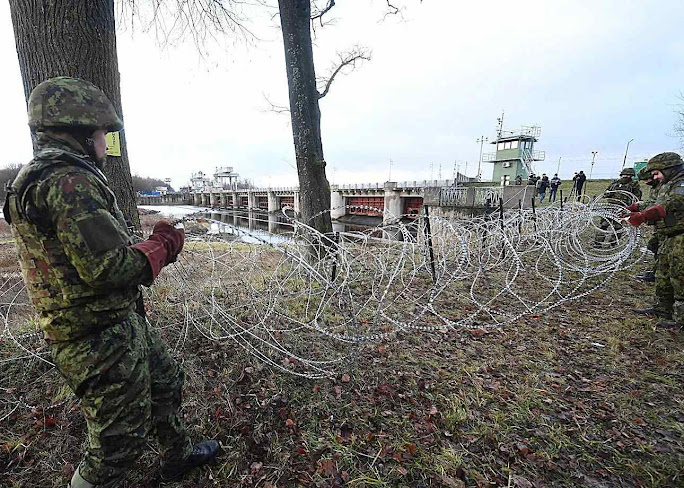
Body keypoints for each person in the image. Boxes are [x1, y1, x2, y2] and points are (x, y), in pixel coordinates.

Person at [3, 77, 219, 487]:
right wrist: (161, 246)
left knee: (165, 379)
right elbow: (108, 269)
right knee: (116, 445)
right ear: (83, 132)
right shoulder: (70, 182)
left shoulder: (42, 176)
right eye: (103, 133)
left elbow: (85, 256)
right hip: (95, 336)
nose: (106, 142)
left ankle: (177, 455)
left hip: (111, 321)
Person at [629, 152, 684, 328]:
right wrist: (637, 209)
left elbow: (674, 202)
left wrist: (645, 215)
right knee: (663, 273)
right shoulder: (667, 184)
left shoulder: (681, 183)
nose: (655, 177)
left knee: (680, 277)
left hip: (680, 236)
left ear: (669, 168)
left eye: (656, 173)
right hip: (668, 235)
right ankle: (662, 309)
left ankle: (680, 319)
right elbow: (655, 203)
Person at [593, 167, 642, 247]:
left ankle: (613, 243)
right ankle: (598, 243)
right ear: (621, 175)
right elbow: (606, 194)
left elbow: (637, 197)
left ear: (632, 176)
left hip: (623, 208)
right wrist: (609, 193)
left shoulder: (634, 185)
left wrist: (632, 208)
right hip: (610, 207)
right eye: (625, 175)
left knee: (618, 227)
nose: (626, 177)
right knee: (604, 225)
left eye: (629, 175)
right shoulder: (614, 183)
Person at [631, 167, 661, 282]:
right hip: (662, 226)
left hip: (673, 226)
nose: (646, 182)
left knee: (659, 248)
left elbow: (658, 205)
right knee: (655, 247)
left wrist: (642, 214)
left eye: (647, 179)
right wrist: (637, 207)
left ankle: (659, 274)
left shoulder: (666, 187)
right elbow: (652, 203)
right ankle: (657, 272)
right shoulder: (656, 187)